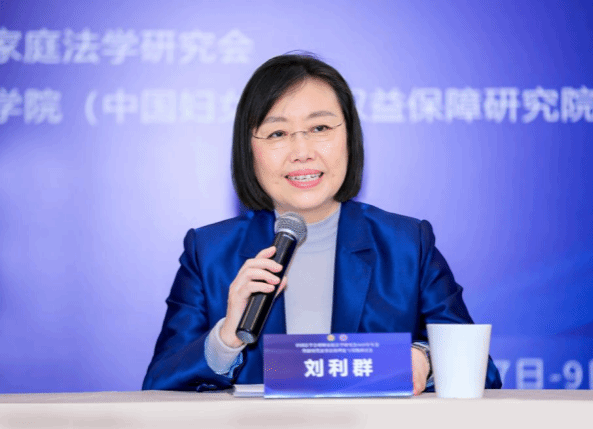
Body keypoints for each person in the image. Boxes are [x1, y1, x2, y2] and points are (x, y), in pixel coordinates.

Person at [142, 53, 502, 394]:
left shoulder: (406, 244)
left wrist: (424, 359)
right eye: (277, 133)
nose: (302, 152)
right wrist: (226, 339)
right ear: (248, 150)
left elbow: (480, 370)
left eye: (320, 127)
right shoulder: (209, 252)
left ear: (349, 138)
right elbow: (159, 382)